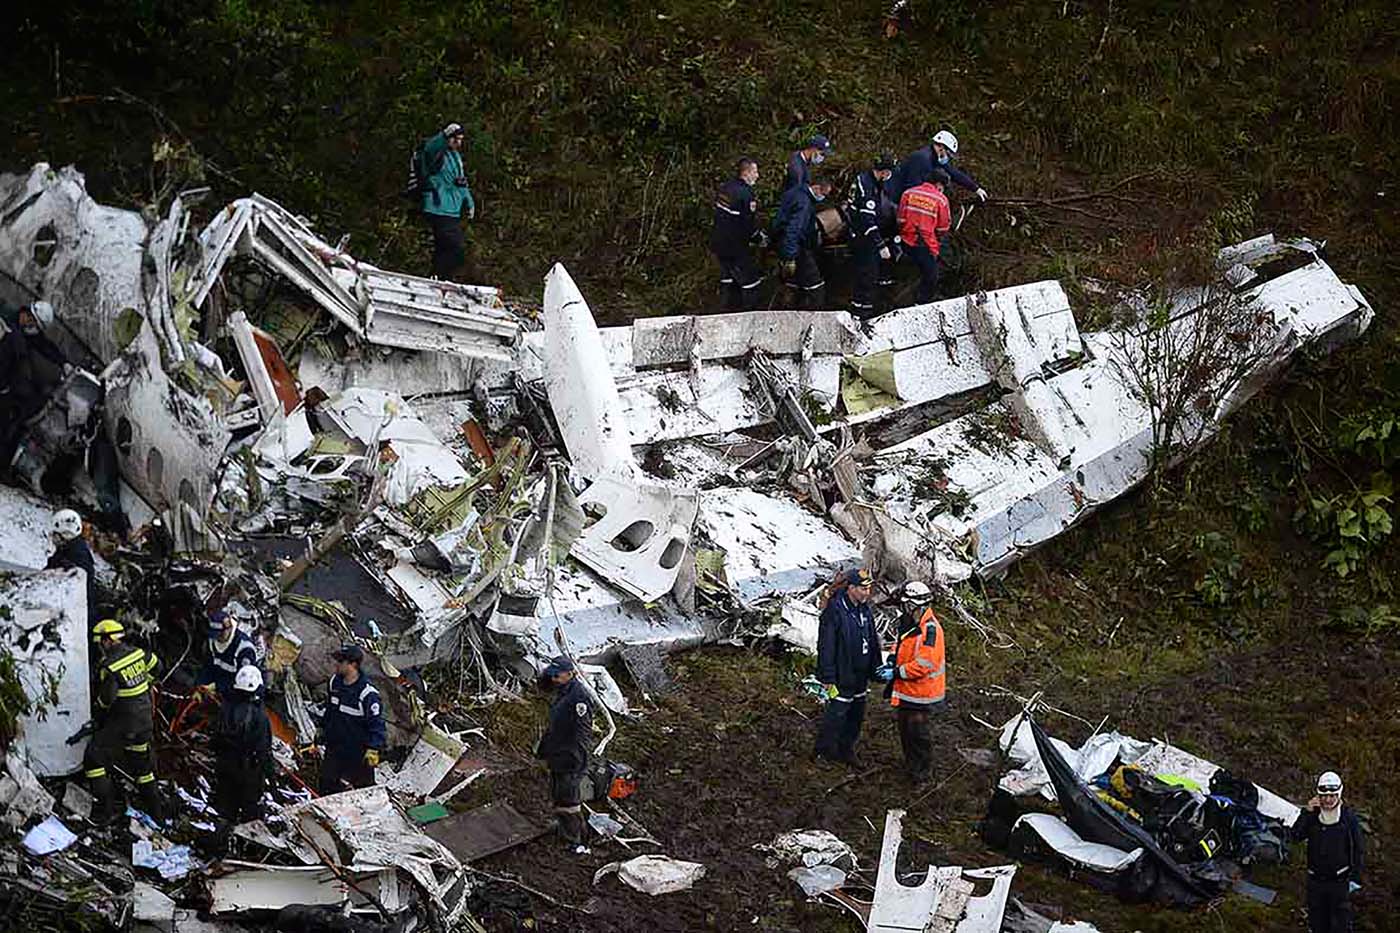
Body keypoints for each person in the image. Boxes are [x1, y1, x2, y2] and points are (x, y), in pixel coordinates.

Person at [83, 619, 162, 822]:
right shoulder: (138, 652)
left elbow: (107, 699)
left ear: (107, 640)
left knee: (94, 756)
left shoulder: (109, 667)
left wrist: (97, 716)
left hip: (124, 724)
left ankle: (105, 810)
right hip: (145, 722)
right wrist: (146, 682)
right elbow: (158, 667)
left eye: (100, 643)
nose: (100, 647)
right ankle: (158, 814)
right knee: (142, 767)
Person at [814, 568, 883, 766]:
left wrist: (875, 667)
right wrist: (827, 676)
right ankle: (823, 752)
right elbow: (826, 645)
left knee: (856, 715)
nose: (866, 593)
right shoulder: (835, 610)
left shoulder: (864, 610)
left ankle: (846, 749)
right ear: (851, 588)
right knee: (836, 714)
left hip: (860, 675)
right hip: (842, 673)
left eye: (868, 589)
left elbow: (872, 640)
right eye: (863, 589)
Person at [534, 656, 594, 853]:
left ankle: (576, 840)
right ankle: (564, 829)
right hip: (558, 754)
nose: (554, 678)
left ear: (570, 674)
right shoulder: (563, 691)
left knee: (569, 799)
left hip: (571, 756)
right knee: (558, 794)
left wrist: (576, 757)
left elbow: (582, 732)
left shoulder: (579, 697)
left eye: (558, 675)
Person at [888, 580, 946, 784]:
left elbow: (924, 664)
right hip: (908, 692)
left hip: (922, 694)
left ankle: (922, 776)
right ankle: (911, 767)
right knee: (906, 733)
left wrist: (896, 672)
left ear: (914, 605)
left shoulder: (930, 630)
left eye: (906, 605)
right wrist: (891, 658)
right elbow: (903, 645)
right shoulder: (910, 624)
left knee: (918, 736)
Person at [1291, 771, 1363, 933]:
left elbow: (1358, 849)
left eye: (1332, 795)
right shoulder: (1312, 815)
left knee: (1340, 926)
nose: (1328, 800)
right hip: (1315, 882)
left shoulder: (1348, 818)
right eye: (1324, 796)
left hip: (1340, 882)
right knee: (1318, 925)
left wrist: (1355, 879)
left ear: (1339, 794)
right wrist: (1306, 813)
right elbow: (1295, 836)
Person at [0, 300, 66, 466]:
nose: (34, 329)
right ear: (29, 316)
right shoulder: (9, 328)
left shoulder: (24, 331)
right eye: (35, 324)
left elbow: (43, 344)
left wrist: (63, 362)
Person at [318, 644, 386, 795]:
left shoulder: (367, 694)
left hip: (357, 752)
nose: (336, 664)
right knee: (327, 785)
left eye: (341, 661)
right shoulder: (334, 683)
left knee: (364, 791)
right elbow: (330, 709)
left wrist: (373, 748)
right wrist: (322, 728)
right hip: (335, 747)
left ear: (353, 664)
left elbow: (377, 724)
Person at [212, 665, 274, 829]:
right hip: (249, 772)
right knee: (250, 814)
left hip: (225, 767)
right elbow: (263, 750)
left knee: (225, 810)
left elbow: (216, 739)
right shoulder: (259, 716)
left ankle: (222, 839)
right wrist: (270, 778)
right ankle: (246, 845)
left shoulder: (226, 708)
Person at [420, 121, 476, 280]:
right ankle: (440, 277)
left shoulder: (456, 156)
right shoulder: (438, 153)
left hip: (453, 208)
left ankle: (435, 277)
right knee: (455, 247)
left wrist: (469, 202)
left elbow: (461, 181)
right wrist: (444, 135)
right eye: (455, 139)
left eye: (460, 140)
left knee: (444, 247)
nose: (458, 143)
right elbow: (430, 148)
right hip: (438, 206)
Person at [710, 158, 768, 310]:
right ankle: (751, 315)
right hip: (735, 246)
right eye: (755, 172)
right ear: (746, 172)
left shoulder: (725, 188)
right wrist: (758, 238)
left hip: (719, 244)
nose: (757, 176)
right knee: (751, 282)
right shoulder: (745, 193)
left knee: (728, 281)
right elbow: (746, 223)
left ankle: (725, 312)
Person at [845, 154, 898, 317]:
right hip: (862, 236)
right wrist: (880, 245)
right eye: (888, 173)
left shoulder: (865, 179)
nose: (889, 177)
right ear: (883, 172)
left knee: (870, 273)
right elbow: (867, 220)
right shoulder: (867, 187)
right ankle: (862, 313)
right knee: (868, 274)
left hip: (859, 230)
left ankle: (872, 305)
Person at [772, 177, 834, 309]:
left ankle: (787, 310)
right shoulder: (804, 204)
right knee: (815, 285)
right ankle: (815, 316)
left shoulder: (795, 191)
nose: (823, 197)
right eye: (823, 194)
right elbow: (794, 230)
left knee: (792, 282)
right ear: (816, 188)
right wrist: (791, 257)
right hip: (796, 248)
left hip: (782, 242)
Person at [897, 168, 952, 303]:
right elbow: (943, 228)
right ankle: (921, 304)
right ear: (939, 185)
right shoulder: (941, 200)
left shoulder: (909, 193)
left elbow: (900, 219)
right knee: (931, 276)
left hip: (905, 242)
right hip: (926, 245)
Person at [891, 130, 988, 204]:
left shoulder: (934, 157)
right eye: (948, 153)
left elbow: (953, 173)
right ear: (942, 148)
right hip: (895, 199)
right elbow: (913, 187)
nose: (948, 157)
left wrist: (975, 188)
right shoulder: (922, 159)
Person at [47, 508, 97, 623]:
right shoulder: (69, 550)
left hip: (77, 616)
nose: (53, 538)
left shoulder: (75, 555)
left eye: (56, 534)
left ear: (65, 534)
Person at [196, 609, 259, 701]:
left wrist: (217, 686)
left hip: (238, 693)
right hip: (216, 688)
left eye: (220, 634)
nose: (217, 638)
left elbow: (244, 682)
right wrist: (200, 686)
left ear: (229, 629)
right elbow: (208, 666)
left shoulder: (244, 649)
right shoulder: (213, 641)